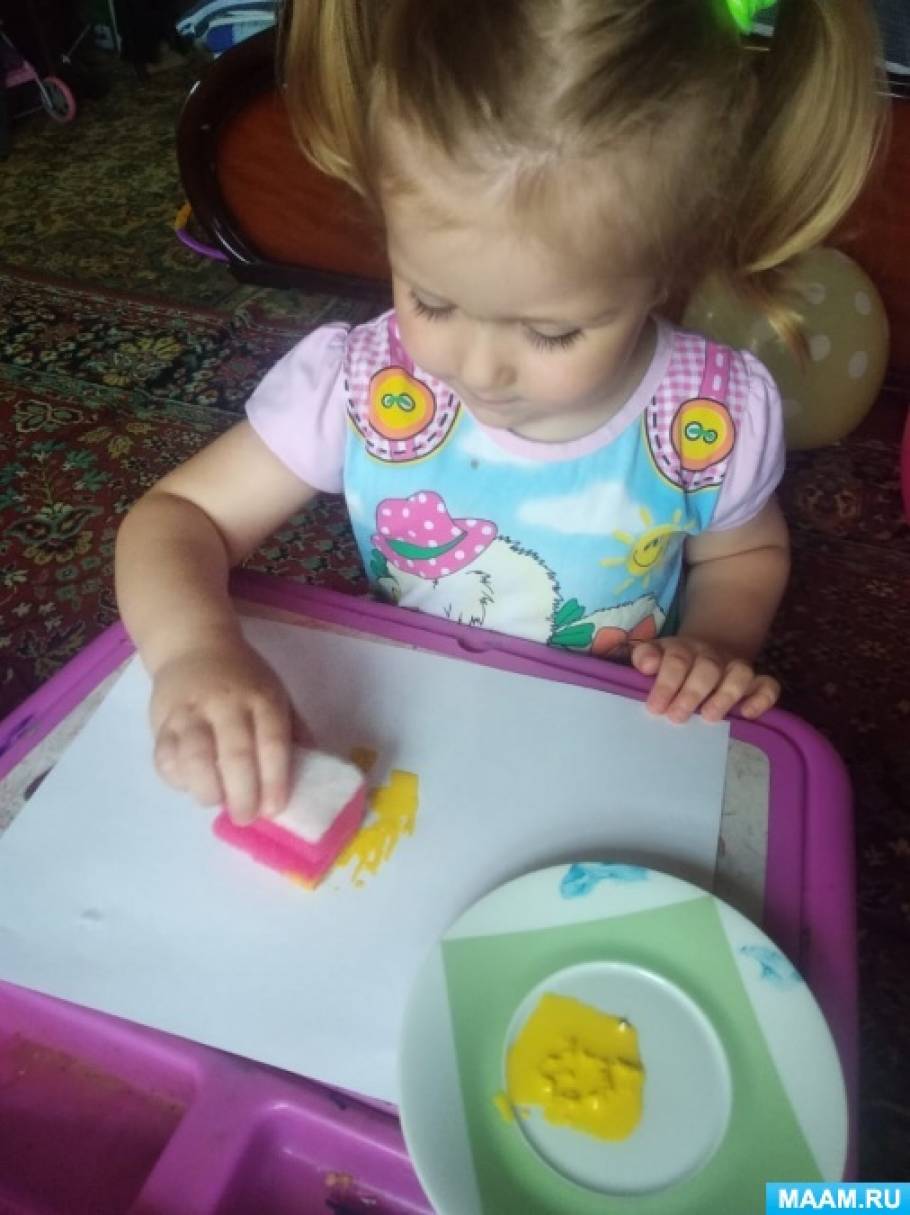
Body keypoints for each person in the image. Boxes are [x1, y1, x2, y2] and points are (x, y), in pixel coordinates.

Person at [115, 0, 885, 823]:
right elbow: (180, 516)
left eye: (551, 332)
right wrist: (195, 651)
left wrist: (716, 642)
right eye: (432, 299)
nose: (478, 369)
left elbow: (745, 552)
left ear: (669, 267)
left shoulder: (711, 419)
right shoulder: (365, 386)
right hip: (419, 735)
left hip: (605, 749)